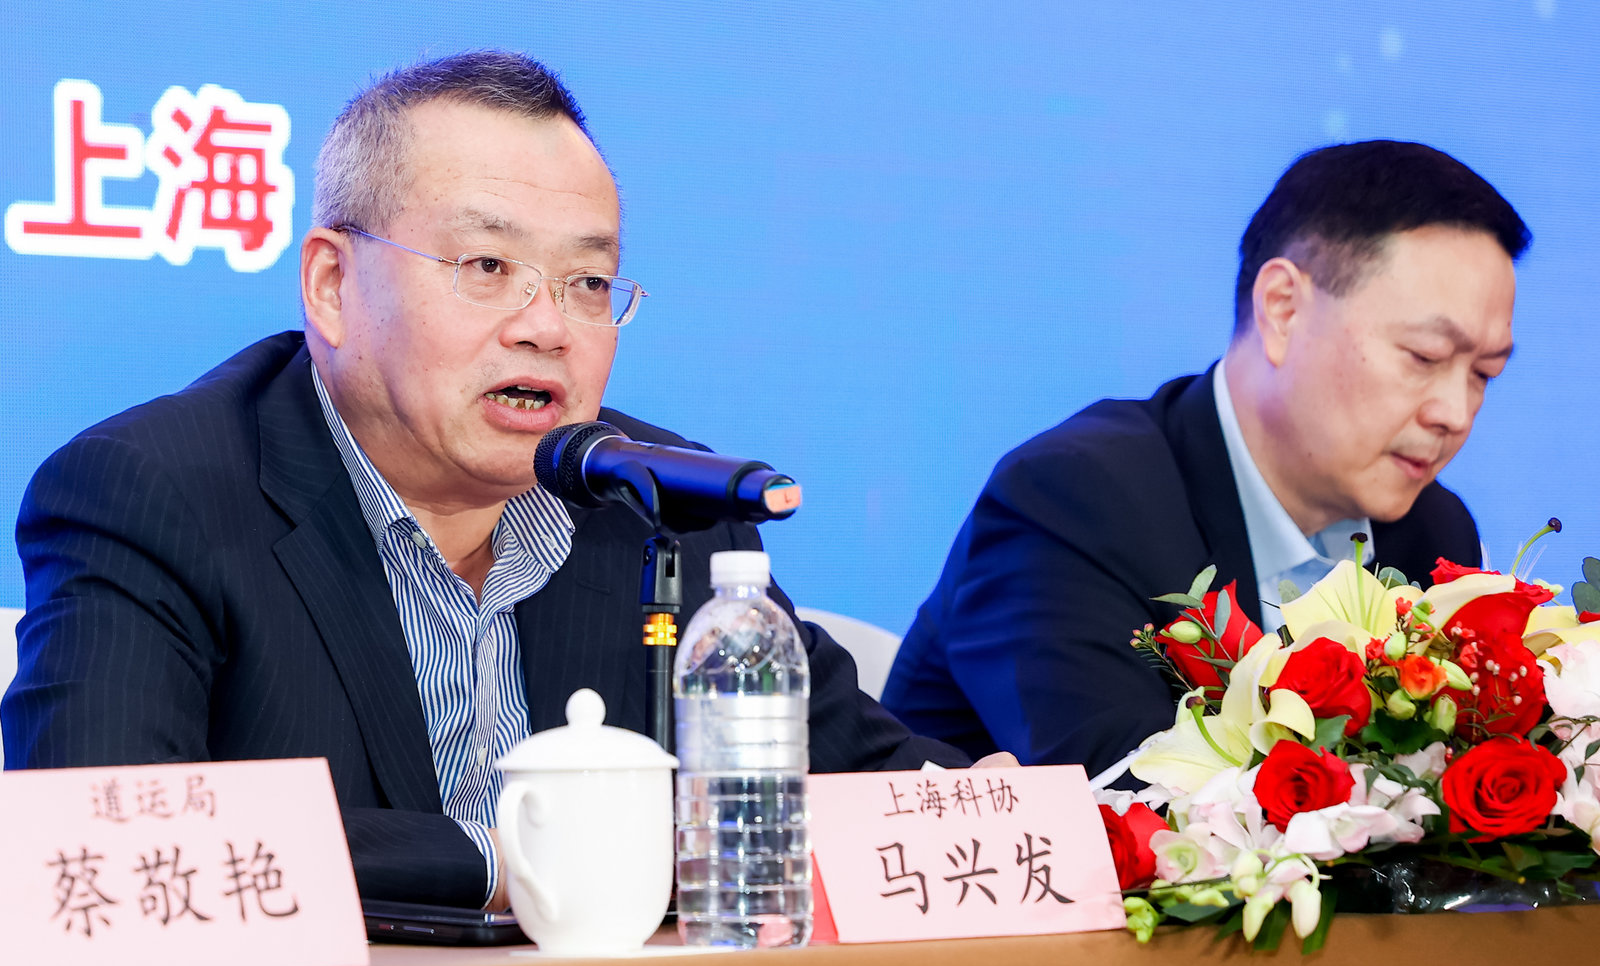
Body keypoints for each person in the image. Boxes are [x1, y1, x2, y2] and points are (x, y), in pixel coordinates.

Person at [0, 51, 986, 910]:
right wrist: (522, 859)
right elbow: (102, 840)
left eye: (587, 282)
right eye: (486, 265)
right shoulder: (152, 494)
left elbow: (871, 787)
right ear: (332, 285)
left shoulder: (656, 503)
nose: (546, 325)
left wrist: (1031, 815)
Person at [883, 140, 1528, 778]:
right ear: (1282, 309)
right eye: (1423, 357)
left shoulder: (1434, 533)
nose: (1456, 412)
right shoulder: (1075, 502)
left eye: (1484, 374)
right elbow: (1132, 810)